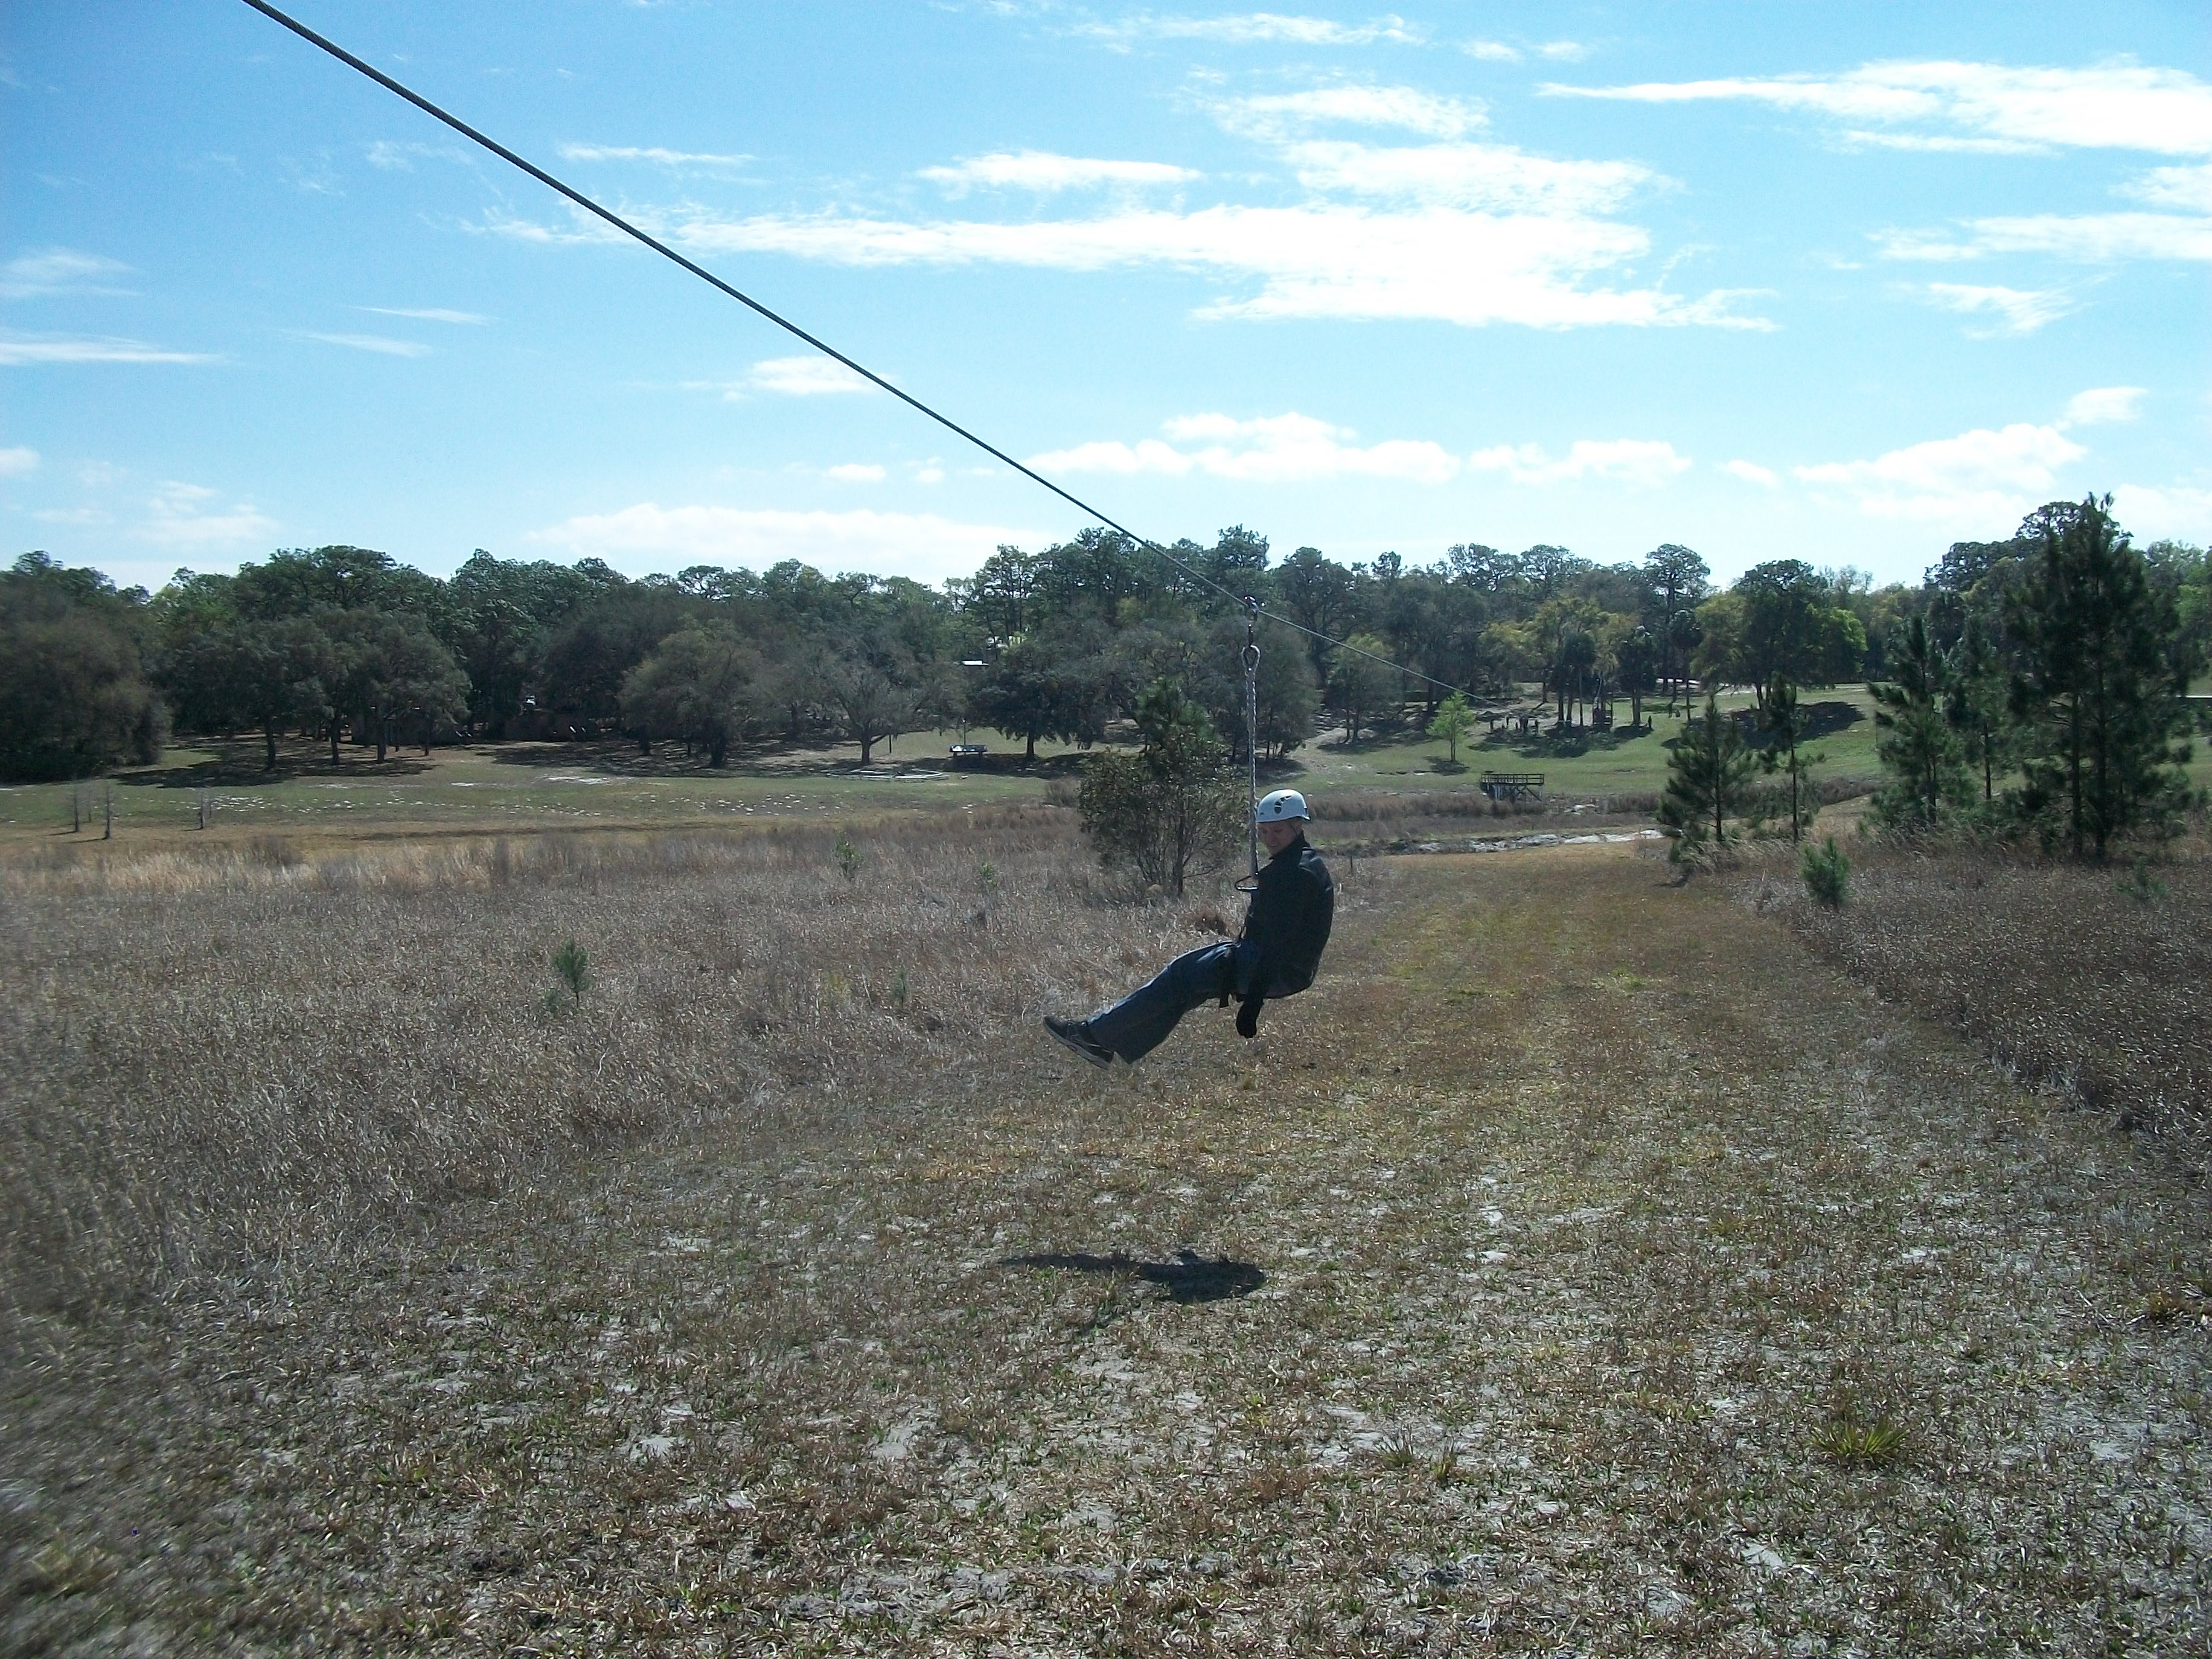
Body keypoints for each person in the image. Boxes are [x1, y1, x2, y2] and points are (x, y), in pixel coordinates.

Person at [1044, 788, 1335, 1067]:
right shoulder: (1301, 864)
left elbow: (1276, 945)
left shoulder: (1294, 874)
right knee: (1185, 987)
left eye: (1278, 831)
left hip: (1275, 969)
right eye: (1264, 831)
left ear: (1298, 826)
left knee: (1179, 976)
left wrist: (1253, 1003)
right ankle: (1106, 1043)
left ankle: (1095, 1036)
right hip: (1280, 966)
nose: (1270, 839)